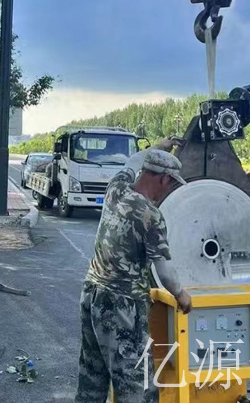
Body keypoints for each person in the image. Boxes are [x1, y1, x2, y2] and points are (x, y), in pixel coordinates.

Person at [76, 139, 193, 403]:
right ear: (164, 179)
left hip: (92, 296)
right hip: (123, 306)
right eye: (171, 183)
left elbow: (131, 162)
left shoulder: (115, 189)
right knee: (136, 385)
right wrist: (181, 295)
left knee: (92, 376)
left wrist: (158, 148)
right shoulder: (149, 214)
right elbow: (165, 271)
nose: (169, 189)